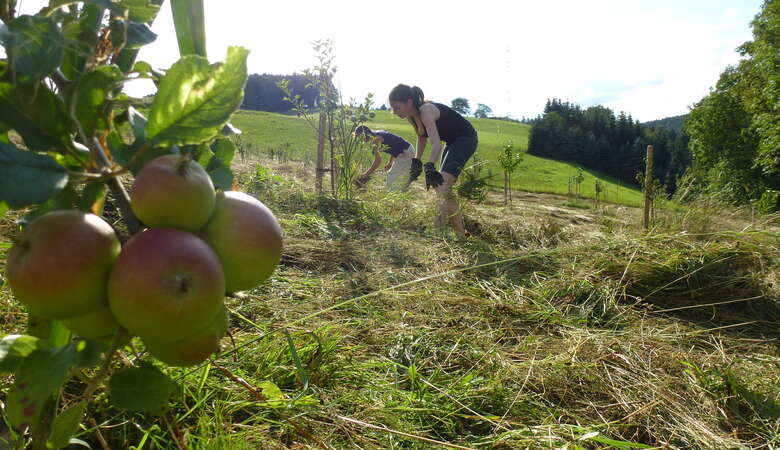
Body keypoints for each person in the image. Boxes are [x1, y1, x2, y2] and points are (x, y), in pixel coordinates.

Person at [388, 84, 478, 238]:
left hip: (465, 139)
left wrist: (429, 166)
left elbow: (435, 143)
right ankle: (459, 235)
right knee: (443, 187)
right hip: (452, 142)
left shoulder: (426, 111)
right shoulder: (411, 116)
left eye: (397, 108)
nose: (395, 112)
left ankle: (439, 234)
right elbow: (421, 137)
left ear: (409, 102)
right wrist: (416, 161)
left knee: (441, 185)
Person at [353, 125, 415, 192]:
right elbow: (394, 146)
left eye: (359, 137)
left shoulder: (376, 140)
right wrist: (390, 163)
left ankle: (393, 193)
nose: (360, 139)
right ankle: (404, 189)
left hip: (406, 152)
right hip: (406, 150)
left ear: (365, 134)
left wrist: (366, 174)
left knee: (392, 174)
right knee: (401, 172)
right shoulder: (376, 134)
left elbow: (378, 160)